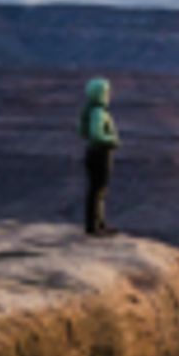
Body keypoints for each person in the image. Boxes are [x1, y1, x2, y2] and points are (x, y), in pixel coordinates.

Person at [78, 76, 121, 236]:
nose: (109, 94)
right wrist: (113, 140)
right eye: (107, 91)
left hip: (92, 152)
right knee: (98, 190)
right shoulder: (98, 112)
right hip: (100, 153)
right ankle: (94, 227)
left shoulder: (90, 109)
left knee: (97, 190)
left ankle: (99, 224)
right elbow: (96, 134)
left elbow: (82, 132)